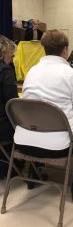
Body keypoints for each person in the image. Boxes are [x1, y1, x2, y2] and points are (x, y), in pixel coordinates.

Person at [14, 30, 73, 202]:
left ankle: (33, 175)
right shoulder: (72, 74)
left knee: (38, 122)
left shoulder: (31, 72)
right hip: (58, 145)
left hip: (24, 142)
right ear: (65, 50)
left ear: (44, 48)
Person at [0, 35, 18, 178]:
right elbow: (13, 103)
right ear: (4, 53)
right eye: (11, 55)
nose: (11, 59)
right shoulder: (5, 71)